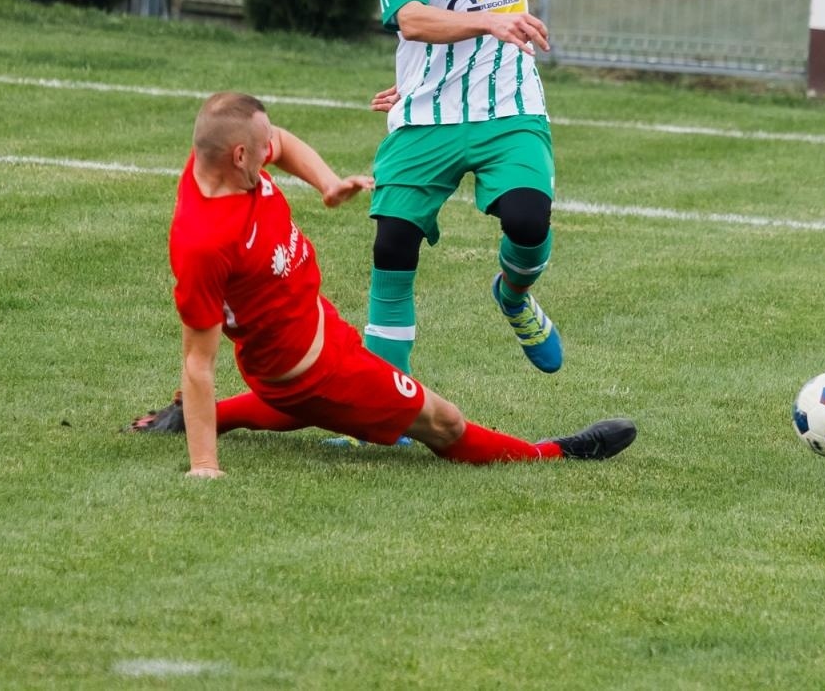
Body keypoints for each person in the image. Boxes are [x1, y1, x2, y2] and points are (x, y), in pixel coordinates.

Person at [130, 91, 634, 476]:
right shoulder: (203, 242)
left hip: (315, 330)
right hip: (317, 372)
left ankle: (197, 416)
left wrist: (328, 183)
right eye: (262, 150)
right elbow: (198, 360)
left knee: (300, 407)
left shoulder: (218, 161)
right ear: (239, 156)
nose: (273, 151)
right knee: (446, 423)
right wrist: (204, 467)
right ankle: (558, 453)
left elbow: (282, 142)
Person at [362, 0, 560, 383]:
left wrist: (492, 29)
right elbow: (411, 17)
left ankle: (513, 293)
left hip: (509, 99)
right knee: (393, 246)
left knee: (529, 221)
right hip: (429, 112)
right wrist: (487, 29)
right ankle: (379, 405)